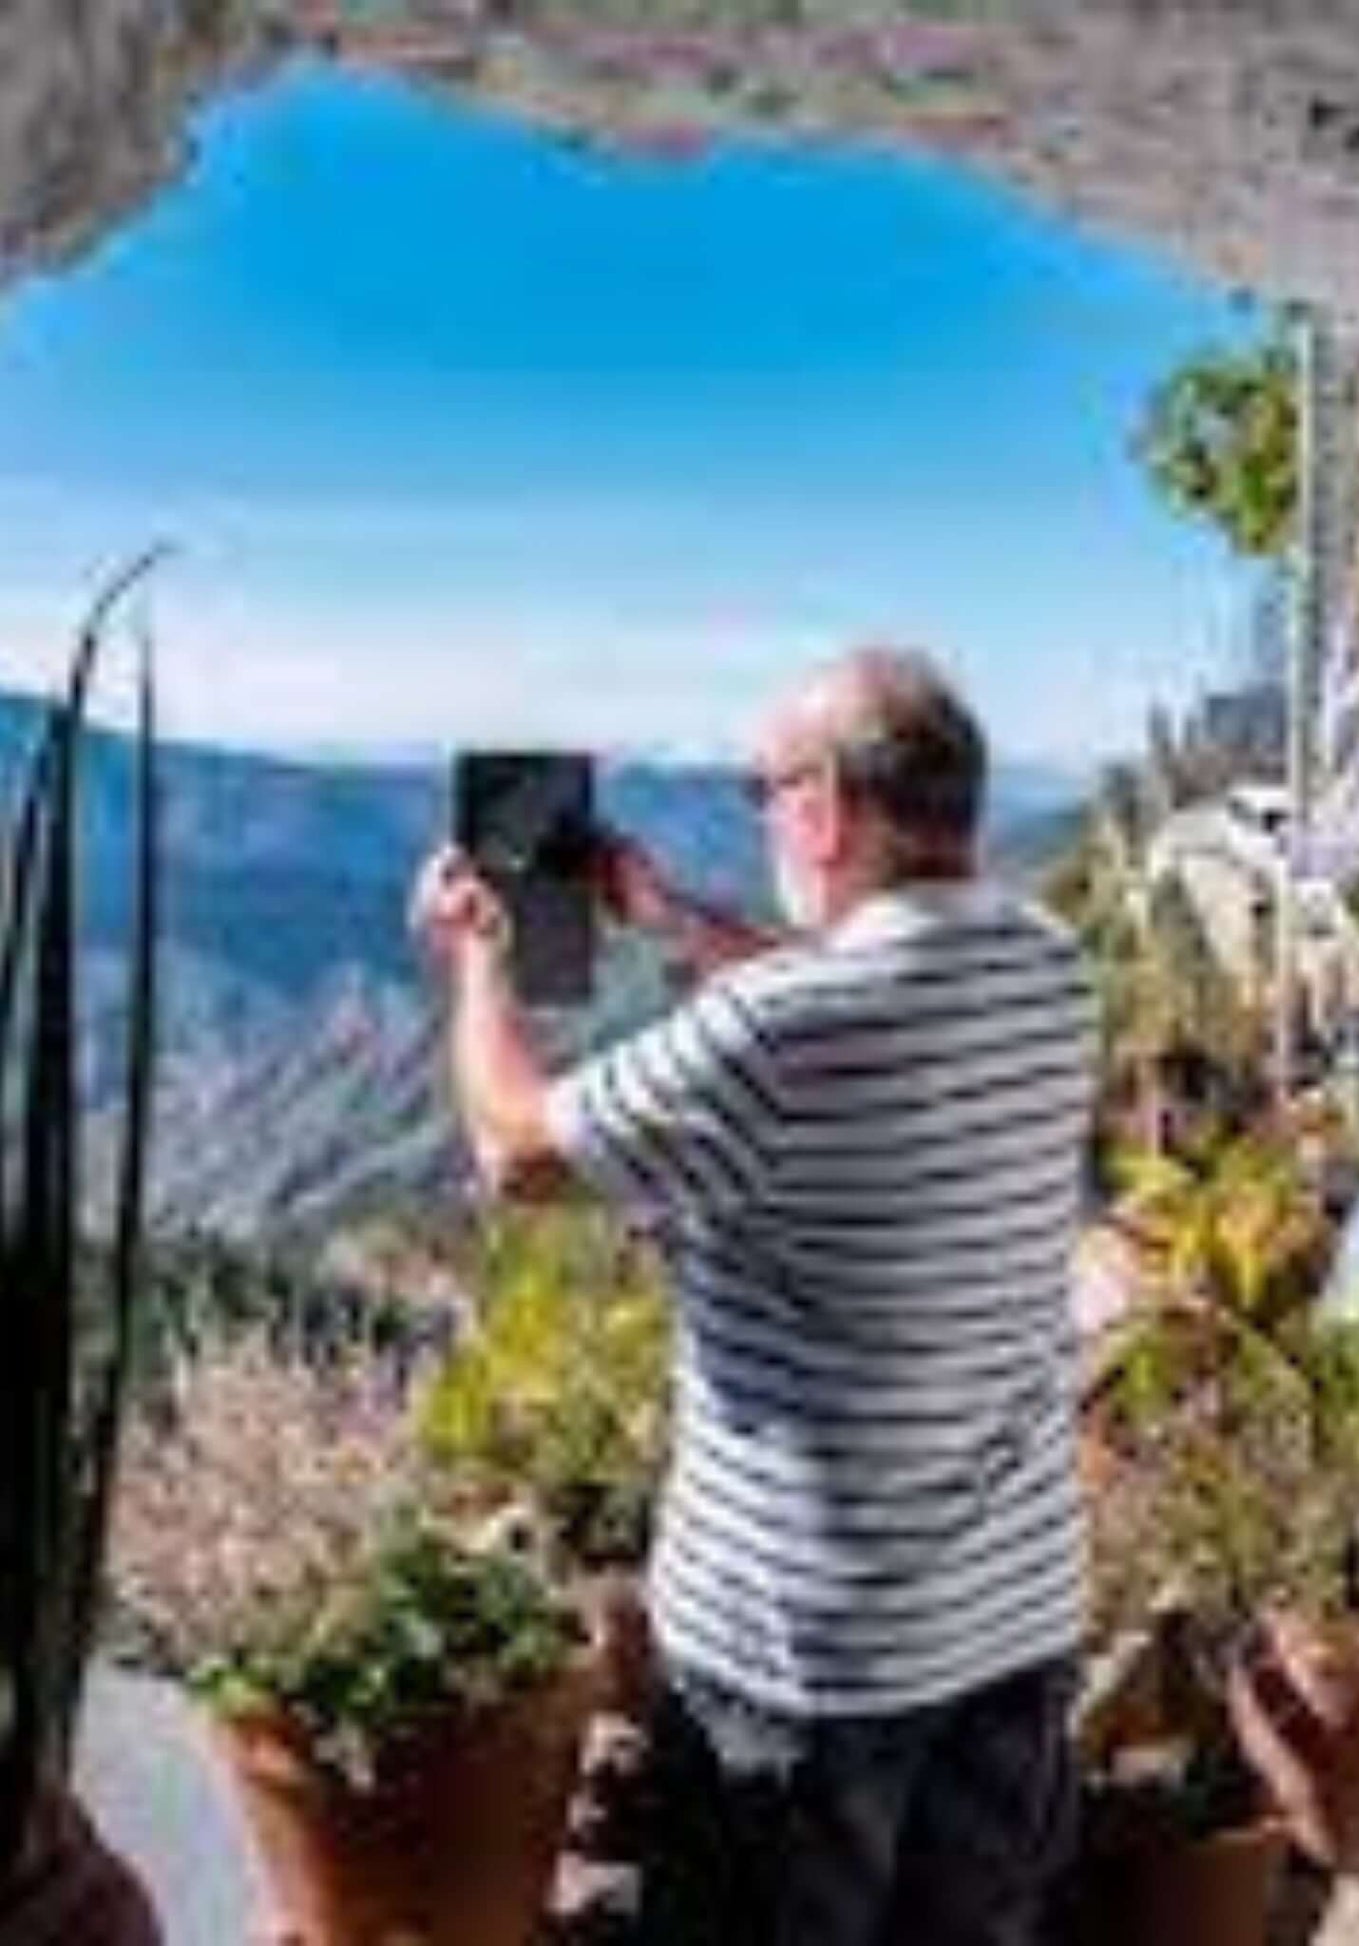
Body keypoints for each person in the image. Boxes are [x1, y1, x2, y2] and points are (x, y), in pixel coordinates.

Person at [410, 647, 1098, 1946]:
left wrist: (478, 962)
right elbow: (833, 988)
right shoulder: (1048, 963)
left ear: (826, 805)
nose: (756, 810)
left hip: (805, 1665)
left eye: (759, 787)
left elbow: (513, 1147)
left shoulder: (780, 1033)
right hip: (1012, 1623)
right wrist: (672, 920)